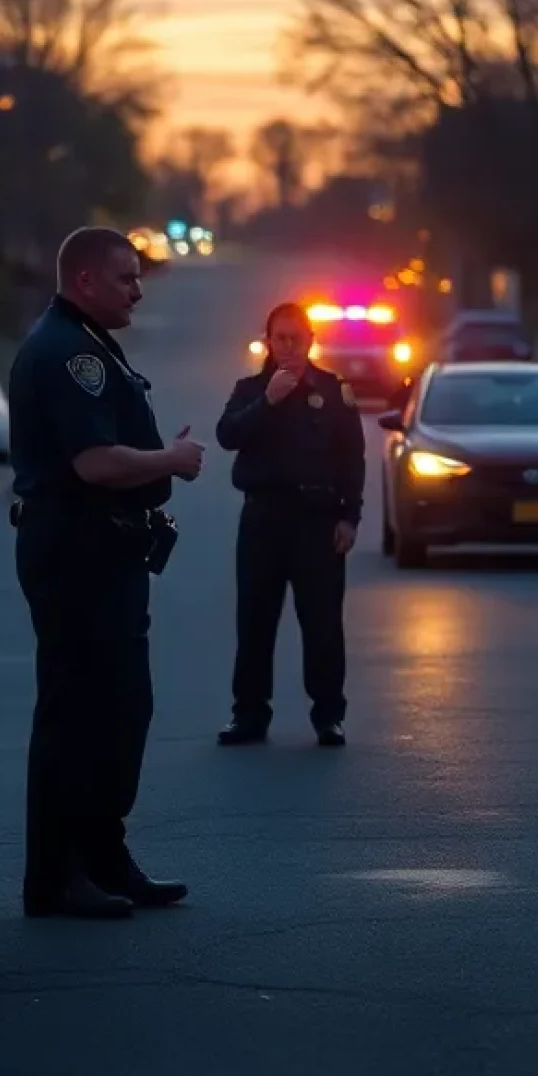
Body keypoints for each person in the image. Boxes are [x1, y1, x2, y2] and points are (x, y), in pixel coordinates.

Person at [9, 226, 205, 920]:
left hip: (104, 552)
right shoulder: (69, 355)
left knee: (120, 710)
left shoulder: (86, 345)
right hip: (77, 549)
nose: (139, 287)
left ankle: (103, 857)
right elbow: (94, 464)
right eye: (126, 277)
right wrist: (171, 461)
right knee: (80, 715)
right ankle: (58, 877)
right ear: (85, 280)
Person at [215, 302, 366, 748]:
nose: (287, 346)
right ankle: (249, 715)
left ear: (310, 341)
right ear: (267, 341)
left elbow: (351, 460)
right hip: (263, 519)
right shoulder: (250, 389)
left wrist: (349, 517)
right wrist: (269, 401)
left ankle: (328, 716)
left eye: (295, 338)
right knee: (255, 622)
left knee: (322, 625)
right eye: (279, 338)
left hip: (317, 523)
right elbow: (228, 435)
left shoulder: (334, 391)